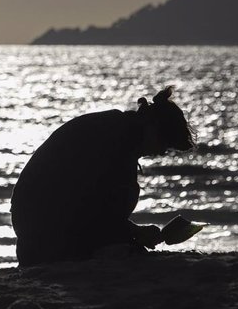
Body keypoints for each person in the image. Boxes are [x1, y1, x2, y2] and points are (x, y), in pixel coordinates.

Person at [10, 86, 196, 266]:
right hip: (43, 232)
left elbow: (93, 206)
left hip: (36, 224)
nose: (161, 151)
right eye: (164, 143)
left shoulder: (117, 130)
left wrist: (132, 231)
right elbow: (89, 205)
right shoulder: (115, 142)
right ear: (153, 125)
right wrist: (132, 232)